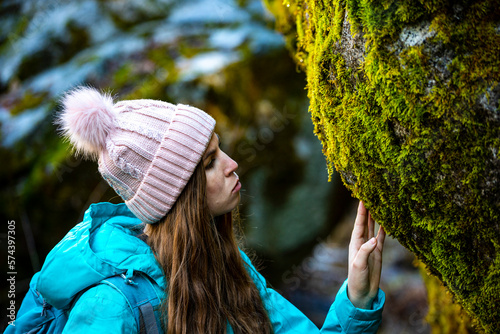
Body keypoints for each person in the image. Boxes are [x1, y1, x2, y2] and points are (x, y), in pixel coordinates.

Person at [25, 87, 386, 333]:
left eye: (218, 149)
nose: (232, 164)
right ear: (178, 194)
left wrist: (357, 297)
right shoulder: (113, 306)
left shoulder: (227, 265)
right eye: (210, 162)